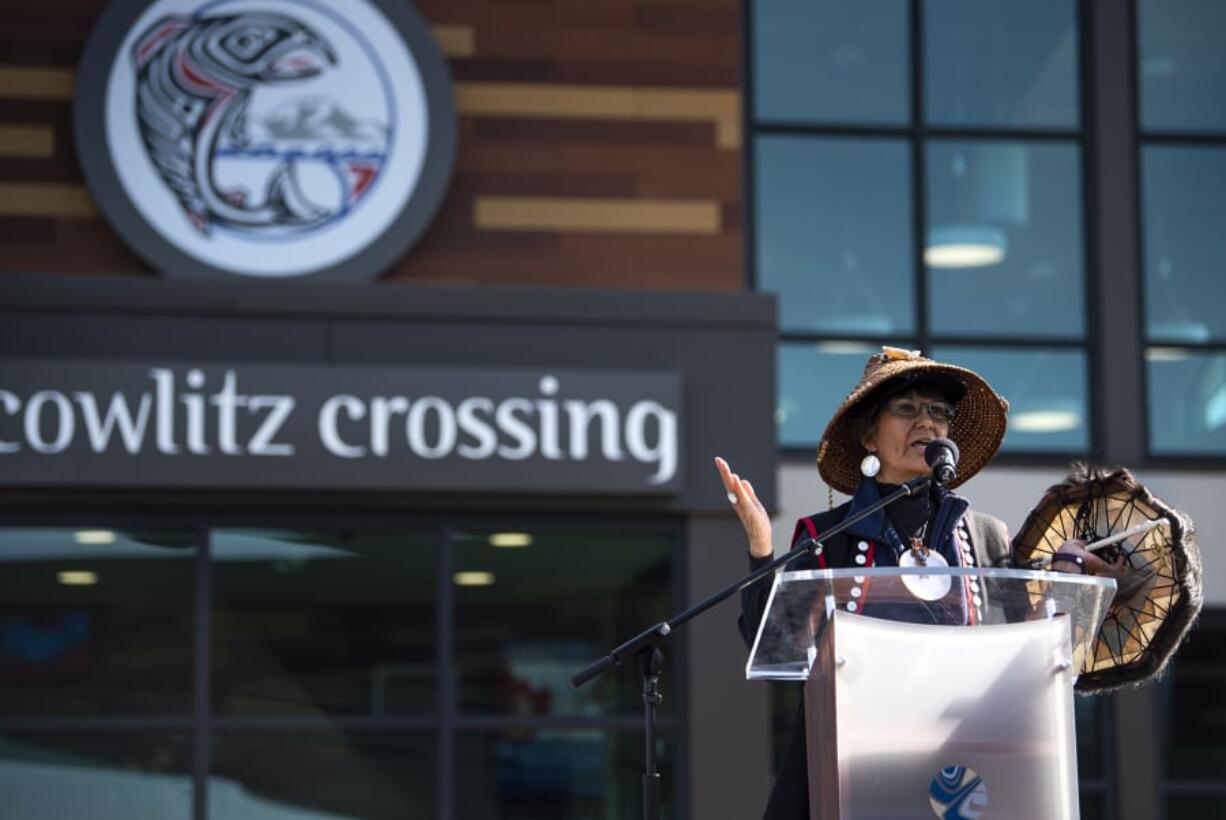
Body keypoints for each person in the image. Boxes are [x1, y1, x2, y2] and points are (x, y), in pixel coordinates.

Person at [714, 347, 1126, 820]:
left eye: (939, 412)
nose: (927, 424)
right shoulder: (827, 535)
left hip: (967, 777)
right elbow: (768, 641)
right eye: (906, 409)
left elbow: (1020, 660)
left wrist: (1068, 584)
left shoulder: (986, 536)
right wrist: (761, 547)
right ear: (869, 436)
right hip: (852, 775)